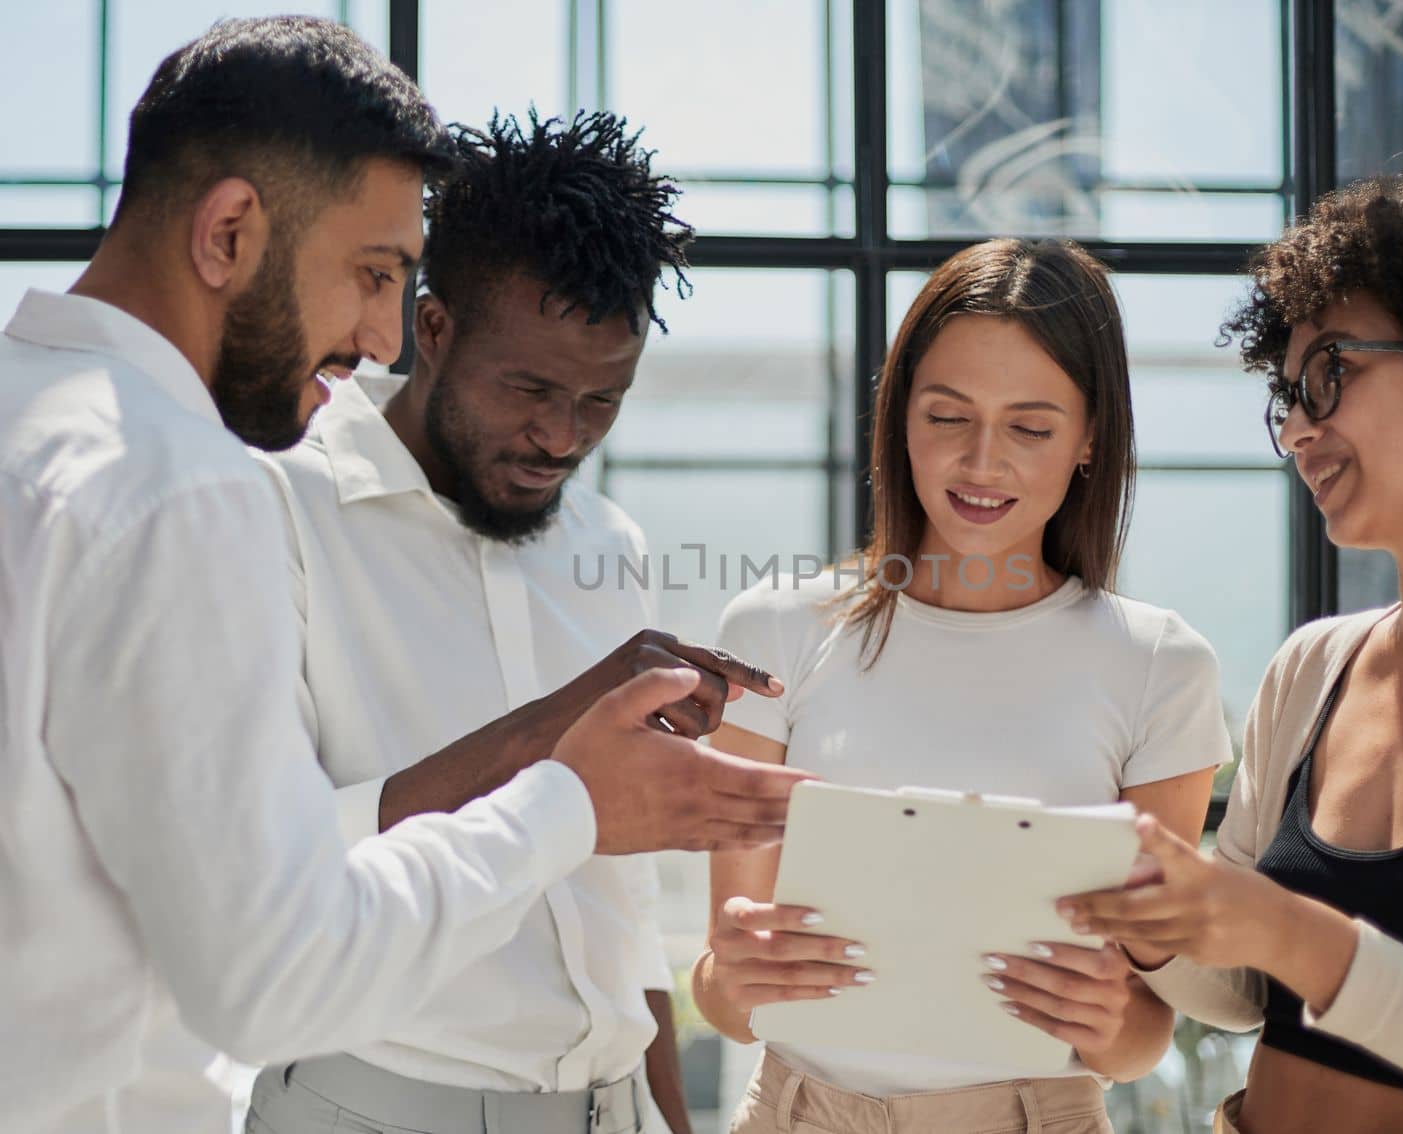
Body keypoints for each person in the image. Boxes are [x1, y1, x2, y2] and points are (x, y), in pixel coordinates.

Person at [0, 19, 805, 1134]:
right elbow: (270, 963)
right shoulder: (210, 487)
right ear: (229, 230)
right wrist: (562, 789)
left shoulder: (604, 544)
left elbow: (614, 920)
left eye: (601, 402)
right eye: (373, 273)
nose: (377, 335)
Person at [1052, 164, 1403, 1134]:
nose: (1298, 429)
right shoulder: (1312, 669)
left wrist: (1283, 928)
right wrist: (1141, 913)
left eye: (1327, 376)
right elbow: (1240, 990)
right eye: (1286, 396)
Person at [244, 107, 742, 1134]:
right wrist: (559, 737)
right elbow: (275, 866)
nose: (563, 436)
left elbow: (619, 898)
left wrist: (662, 1107)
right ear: (433, 327)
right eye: (529, 388)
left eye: (604, 399)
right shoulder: (276, 509)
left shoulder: (610, 543)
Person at [691, 238, 1233, 1134]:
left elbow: (1140, 1037)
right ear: (901, 417)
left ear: (1091, 437)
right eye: (948, 417)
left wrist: (1106, 1019)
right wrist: (736, 978)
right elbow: (723, 993)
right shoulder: (775, 632)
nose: (983, 464)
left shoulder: (1160, 667)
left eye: (1030, 427)